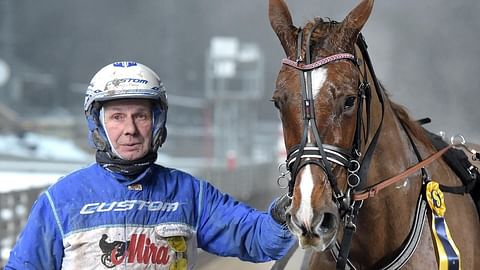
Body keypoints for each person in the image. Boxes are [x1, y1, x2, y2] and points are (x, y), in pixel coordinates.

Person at [5, 61, 295, 269]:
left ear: (157, 123)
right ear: (98, 125)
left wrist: (287, 213)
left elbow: (256, 238)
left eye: (140, 116)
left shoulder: (189, 194)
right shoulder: (61, 201)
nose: (130, 129)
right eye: (117, 117)